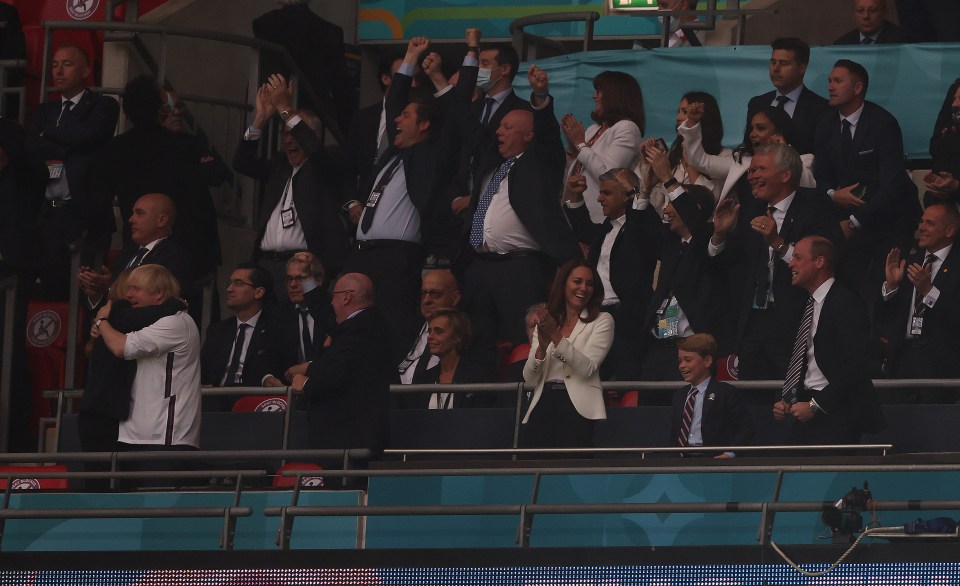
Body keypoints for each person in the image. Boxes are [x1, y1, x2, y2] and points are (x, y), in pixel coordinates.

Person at [343, 38, 468, 360]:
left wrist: (439, 77)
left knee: (392, 328)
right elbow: (393, 103)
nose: (396, 120)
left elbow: (457, 121)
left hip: (396, 259)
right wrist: (410, 57)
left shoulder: (432, 153)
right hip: (361, 255)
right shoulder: (389, 155)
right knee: (351, 330)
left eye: (406, 116)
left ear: (424, 124)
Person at [461, 65, 581, 346]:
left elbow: (549, 138)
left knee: (525, 341)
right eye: (499, 126)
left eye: (507, 127)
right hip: (479, 265)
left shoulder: (539, 164)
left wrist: (539, 96)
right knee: (475, 342)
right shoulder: (492, 164)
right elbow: (465, 125)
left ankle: (524, 391)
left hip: (520, 268)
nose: (498, 131)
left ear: (529, 135)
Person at [708, 143, 837, 381]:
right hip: (753, 324)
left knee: (793, 398)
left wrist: (778, 243)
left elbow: (823, 264)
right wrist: (720, 234)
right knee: (751, 402)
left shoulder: (815, 206)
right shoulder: (750, 209)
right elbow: (729, 268)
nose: (751, 176)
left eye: (759, 170)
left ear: (786, 174)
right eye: (751, 170)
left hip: (796, 323)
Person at [93, 75, 219, 293]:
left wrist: (98, 251)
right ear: (159, 108)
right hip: (181, 251)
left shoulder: (114, 150)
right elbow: (200, 204)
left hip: (136, 249)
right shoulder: (183, 147)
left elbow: (98, 205)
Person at [234, 73, 351, 300]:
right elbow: (241, 162)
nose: (289, 140)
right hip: (267, 266)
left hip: (304, 268)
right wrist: (260, 119)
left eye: (294, 133)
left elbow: (317, 152)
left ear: (313, 135)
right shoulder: (280, 167)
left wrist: (286, 108)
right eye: (285, 133)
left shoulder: (327, 161)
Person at [814, 59, 921, 295]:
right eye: (829, 81)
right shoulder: (825, 124)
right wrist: (833, 194)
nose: (830, 87)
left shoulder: (883, 123)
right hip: (849, 215)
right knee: (848, 281)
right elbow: (820, 176)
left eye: (838, 81)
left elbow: (892, 184)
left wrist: (855, 221)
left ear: (858, 88)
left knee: (885, 283)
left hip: (891, 217)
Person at [25, 44, 120, 300]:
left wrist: (52, 136)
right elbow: (31, 144)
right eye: (54, 64)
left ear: (86, 70)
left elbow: (89, 135)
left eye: (67, 64)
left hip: (86, 213)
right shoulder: (45, 110)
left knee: (87, 291)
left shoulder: (102, 105)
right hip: (50, 210)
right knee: (51, 290)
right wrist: (69, 145)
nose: (58, 70)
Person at [773, 236, 886, 447]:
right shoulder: (808, 305)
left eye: (798, 257)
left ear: (820, 262)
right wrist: (788, 398)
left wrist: (816, 405)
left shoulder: (845, 302)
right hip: (807, 406)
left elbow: (856, 365)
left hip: (837, 411)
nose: (791, 263)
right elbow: (807, 359)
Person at [92, 264, 202, 467]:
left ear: (159, 293)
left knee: (159, 497)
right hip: (132, 433)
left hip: (166, 436)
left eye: (136, 289)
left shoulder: (176, 322)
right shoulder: (149, 320)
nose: (129, 294)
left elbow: (121, 347)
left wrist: (102, 322)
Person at [564, 168, 660, 381]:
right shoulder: (607, 228)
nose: (599, 198)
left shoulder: (640, 228)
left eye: (606, 193)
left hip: (627, 319)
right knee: (591, 379)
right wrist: (575, 196)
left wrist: (636, 191)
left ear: (625, 195)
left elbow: (647, 227)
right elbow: (583, 230)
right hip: (595, 316)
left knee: (628, 379)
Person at [291, 273, 392, 461]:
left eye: (334, 296)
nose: (331, 303)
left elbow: (338, 371)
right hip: (348, 436)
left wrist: (306, 383)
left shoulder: (360, 328)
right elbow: (326, 317)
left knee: (346, 487)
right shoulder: (360, 324)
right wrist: (307, 279)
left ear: (346, 297)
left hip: (351, 436)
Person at [521, 260, 614, 449]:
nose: (583, 288)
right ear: (563, 284)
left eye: (589, 284)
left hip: (577, 407)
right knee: (535, 468)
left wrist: (556, 337)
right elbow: (529, 379)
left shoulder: (602, 320)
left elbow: (587, 368)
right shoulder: (549, 320)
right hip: (543, 402)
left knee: (570, 471)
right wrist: (540, 350)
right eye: (577, 281)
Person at [878, 202, 960, 401]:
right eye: (921, 221)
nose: (921, 227)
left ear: (949, 230)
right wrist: (891, 287)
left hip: (941, 363)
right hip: (902, 358)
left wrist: (929, 291)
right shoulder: (910, 259)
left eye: (929, 223)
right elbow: (885, 317)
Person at [252, 0, 356, 136]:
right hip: (310, 115)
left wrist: (265, 117)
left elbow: (246, 146)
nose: (288, 141)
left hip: (277, 122)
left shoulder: (266, 24)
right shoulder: (329, 32)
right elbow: (343, 90)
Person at [680, 103, 815, 206]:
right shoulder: (742, 161)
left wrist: (785, 151)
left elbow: (807, 186)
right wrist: (692, 124)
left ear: (779, 132)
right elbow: (701, 161)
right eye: (751, 129)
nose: (753, 134)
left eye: (760, 128)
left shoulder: (804, 160)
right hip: (742, 228)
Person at [200, 264, 294, 410]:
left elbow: (275, 372)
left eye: (238, 284)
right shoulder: (217, 330)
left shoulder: (276, 329)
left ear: (259, 292)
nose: (229, 289)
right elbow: (203, 373)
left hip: (254, 404)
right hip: (214, 404)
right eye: (229, 283)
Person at [77, 193, 193, 311]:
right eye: (133, 213)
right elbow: (111, 306)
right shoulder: (127, 254)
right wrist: (96, 294)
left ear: (161, 220)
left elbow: (155, 305)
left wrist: (112, 288)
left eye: (140, 213)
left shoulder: (175, 257)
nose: (131, 219)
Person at [559, 71, 644, 223]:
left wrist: (580, 144)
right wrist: (573, 149)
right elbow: (576, 172)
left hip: (598, 219)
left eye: (599, 90)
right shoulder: (594, 129)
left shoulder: (627, 128)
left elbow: (609, 175)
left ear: (614, 95)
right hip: (573, 213)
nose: (594, 96)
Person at [640, 91, 725, 213]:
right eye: (678, 112)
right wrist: (648, 171)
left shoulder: (724, 157)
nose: (678, 118)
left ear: (703, 116)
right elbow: (657, 206)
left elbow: (708, 203)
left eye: (685, 112)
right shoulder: (673, 158)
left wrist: (689, 164)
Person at [671, 333, 754, 457]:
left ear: (707, 361)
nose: (682, 365)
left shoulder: (726, 393)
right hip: (683, 462)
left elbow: (746, 428)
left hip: (714, 460)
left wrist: (729, 454)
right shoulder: (680, 395)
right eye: (680, 361)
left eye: (688, 360)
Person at [745, 38, 829, 156]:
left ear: (802, 68)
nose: (776, 69)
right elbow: (749, 148)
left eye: (783, 63)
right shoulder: (757, 103)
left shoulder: (821, 108)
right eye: (773, 62)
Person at [404, 308, 495, 408]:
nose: (430, 337)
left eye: (439, 331)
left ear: (458, 337)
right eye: (430, 331)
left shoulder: (478, 377)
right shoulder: (422, 379)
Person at [276, 252, 333, 384]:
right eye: (289, 279)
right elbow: (272, 355)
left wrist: (310, 367)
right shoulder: (280, 315)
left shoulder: (333, 310)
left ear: (318, 281)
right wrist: (267, 377)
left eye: (300, 279)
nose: (293, 284)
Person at [925, 78, 960, 206]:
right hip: (945, 201)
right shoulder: (955, 89)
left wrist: (957, 186)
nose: (954, 104)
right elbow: (936, 146)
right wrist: (942, 187)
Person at [834, 0, 913, 45]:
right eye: (860, 11)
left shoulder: (902, 41)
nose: (866, 16)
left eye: (872, 10)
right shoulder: (842, 44)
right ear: (853, 14)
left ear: (884, 12)